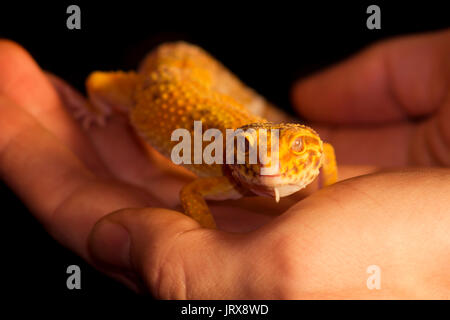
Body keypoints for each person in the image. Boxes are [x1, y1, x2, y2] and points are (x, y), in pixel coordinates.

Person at [0, 29, 448, 299]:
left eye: (290, 157)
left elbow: (324, 154)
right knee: (102, 86)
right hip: (160, 83)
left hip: (200, 88)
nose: (269, 169)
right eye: (254, 160)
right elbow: (190, 190)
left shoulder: (310, 154)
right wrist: (97, 109)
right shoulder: (225, 174)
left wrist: (328, 188)